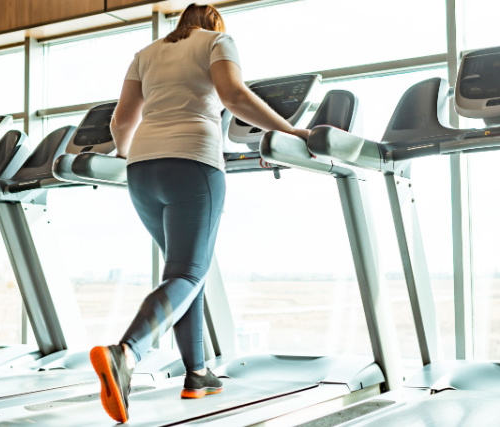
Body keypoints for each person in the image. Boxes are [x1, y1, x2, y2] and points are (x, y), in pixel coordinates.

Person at [89, 3, 311, 423]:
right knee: (188, 273)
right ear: (215, 25)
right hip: (192, 162)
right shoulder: (218, 42)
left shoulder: (146, 53)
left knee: (185, 274)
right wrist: (288, 132)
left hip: (141, 170)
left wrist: (127, 155)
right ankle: (126, 353)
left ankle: (198, 373)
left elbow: (121, 121)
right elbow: (234, 96)